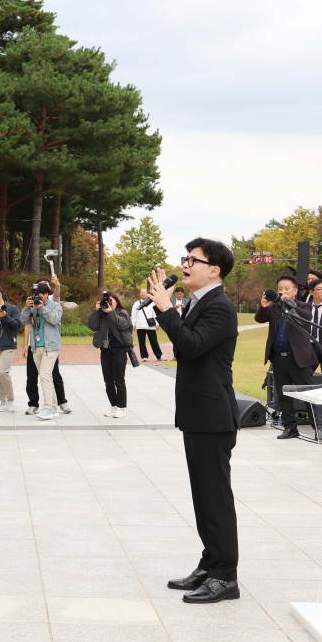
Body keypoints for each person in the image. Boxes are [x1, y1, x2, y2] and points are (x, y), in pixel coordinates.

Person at [146, 238, 241, 603]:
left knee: (215, 497)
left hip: (213, 415)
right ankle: (210, 562)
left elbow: (193, 345)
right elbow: (185, 343)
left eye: (192, 260)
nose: (185, 265)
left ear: (213, 269)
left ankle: (225, 576)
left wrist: (168, 308)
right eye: (185, 259)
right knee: (203, 496)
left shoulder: (221, 306)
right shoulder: (199, 303)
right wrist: (166, 308)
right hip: (197, 413)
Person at [255, 275, 316, 439]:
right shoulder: (273, 307)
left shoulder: (304, 305)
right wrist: (264, 306)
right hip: (278, 358)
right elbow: (259, 318)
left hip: (298, 358)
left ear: (295, 291)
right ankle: (290, 427)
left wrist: (289, 305)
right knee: (284, 395)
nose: (282, 291)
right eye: (280, 289)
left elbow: (307, 318)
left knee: (308, 393)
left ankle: (319, 427)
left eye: (286, 288)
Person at [19, 281, 62, 420]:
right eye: (34, 295)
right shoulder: (32, 307)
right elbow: (24, 320)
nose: (36, 298)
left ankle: (48, 407)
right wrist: (26, 308)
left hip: (51, 347)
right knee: (46, 376)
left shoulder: (55, 305)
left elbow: (54, 320)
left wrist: (43, 308)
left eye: (39, 295)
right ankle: (54, 406)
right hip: (36, 346)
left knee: (44, 375)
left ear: (46, 295)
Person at [87, 291, 133, 419]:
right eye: (107, 300)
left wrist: (110, 311)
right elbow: (91, 326)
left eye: (111, 300)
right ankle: (113, 405)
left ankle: (121, 407)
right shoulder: (101, 315)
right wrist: (96, 311)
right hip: (105, 351)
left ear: (117, 302)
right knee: (108, 381)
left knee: (119, 381)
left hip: (119, 351)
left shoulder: (122, 313)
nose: (109, 302)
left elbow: (121, 324)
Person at [131, 289, 163, 362]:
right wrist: (134, 324)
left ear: (147, 293)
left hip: (151, 326)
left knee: (154, 341)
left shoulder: (152, 303)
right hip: (140, 326)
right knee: (141, 342)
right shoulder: (136, 304)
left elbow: (155, 314)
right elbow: (134, 315)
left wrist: (157, 323)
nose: (143, 294)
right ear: (139, 294)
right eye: (141, 293)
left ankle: (159, 355)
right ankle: (144, 356)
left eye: (144, 292)